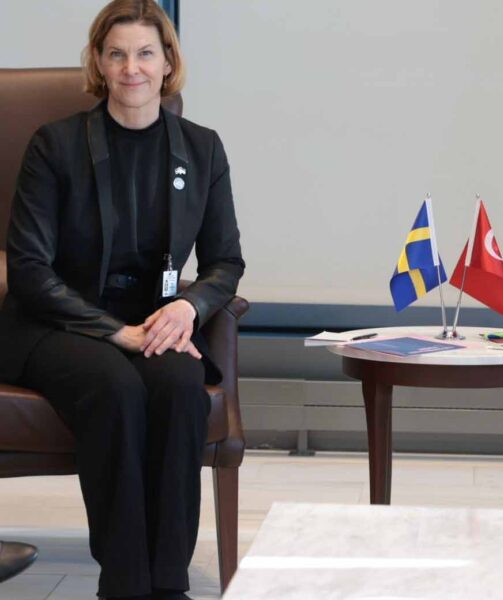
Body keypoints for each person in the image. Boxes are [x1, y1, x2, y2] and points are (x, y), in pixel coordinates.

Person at [0, 1, 244, 598]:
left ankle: (169, 583)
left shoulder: (202, 149)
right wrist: (115, 332)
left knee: (181, 386)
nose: (131, 68)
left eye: (144, 54)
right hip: (56, 323)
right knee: (115, 386)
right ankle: (125, 583)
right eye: (117, 54)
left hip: (154, 319)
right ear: (99, 64)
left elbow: (225, 262)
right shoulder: (55, 146)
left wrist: (188, 308)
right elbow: (28, 269)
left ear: (168, 64)